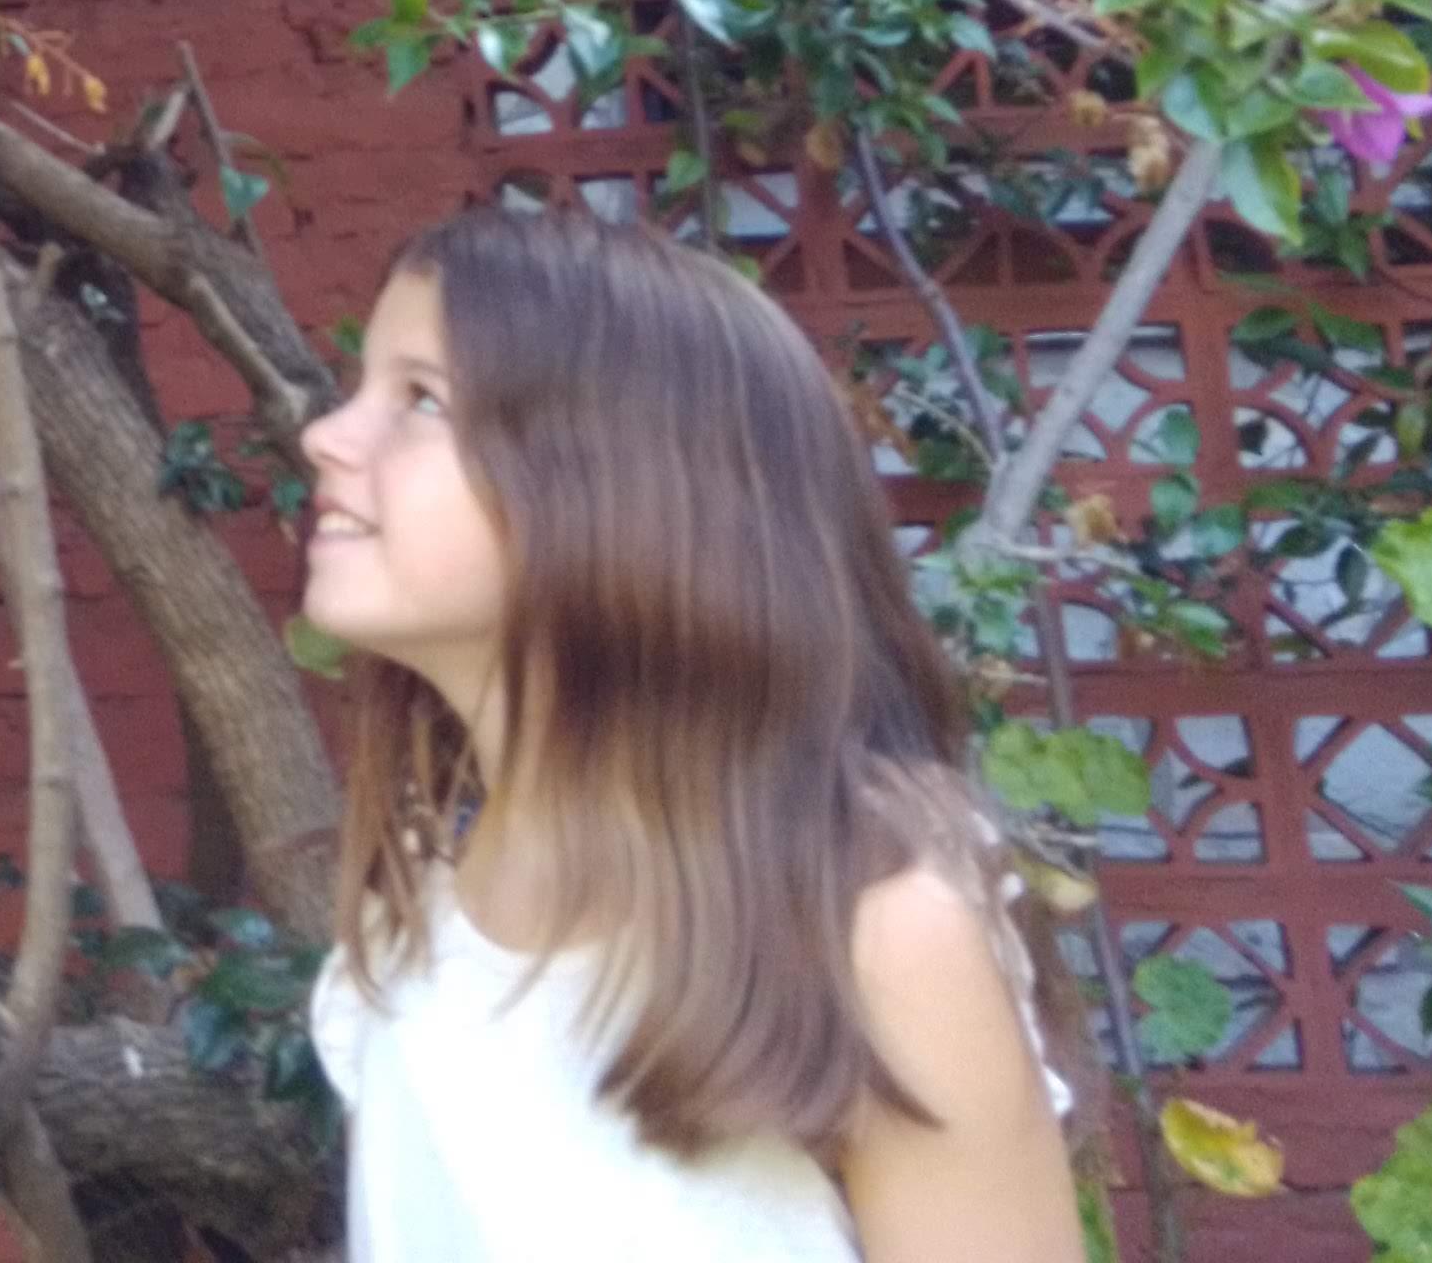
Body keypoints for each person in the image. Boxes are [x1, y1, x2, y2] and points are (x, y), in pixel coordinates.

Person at [300, 202, 1089, 1263]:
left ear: (624, 492)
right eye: (362, 389)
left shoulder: (871, 927)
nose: (323, 435)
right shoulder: (413, 902)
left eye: (422, 400)